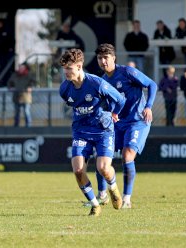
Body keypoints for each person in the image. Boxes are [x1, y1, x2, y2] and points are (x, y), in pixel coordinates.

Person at [59, 48, 125, 216]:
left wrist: (114, 113)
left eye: (69, 68)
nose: (66, 72)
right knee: (78, 170)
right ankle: (95, 204)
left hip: (103, 130)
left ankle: (113, 187)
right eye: (64, 68)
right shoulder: (65, 89)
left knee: (103, 168)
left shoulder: (96, 83)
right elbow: (74, 105)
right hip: (81, 131)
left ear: (79, 66)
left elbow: (119, 99)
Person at [93, 43, 157, 209]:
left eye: (106, 57)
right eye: (100, 58)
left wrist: (148, 106)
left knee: (127, 156)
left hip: (138, 121)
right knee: (102, 155)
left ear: (113, 58)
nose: (103, 61)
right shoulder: (103, 81)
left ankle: (126, 199)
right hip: (118, 123)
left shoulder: (128, 72)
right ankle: (102, 195)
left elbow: (152, 84)